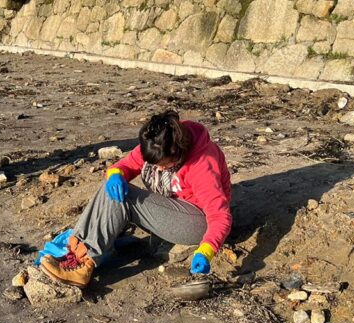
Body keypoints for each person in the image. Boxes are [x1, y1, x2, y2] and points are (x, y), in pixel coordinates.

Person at [39, 111, 231, 290]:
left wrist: (207, 250)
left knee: (127, 197)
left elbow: (220, 215)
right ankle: (76, 250)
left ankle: (84, 263)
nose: (160, 169)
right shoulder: (157, 141)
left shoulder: (202, 163)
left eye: (164, 165)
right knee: (113, 186)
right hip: (170, 209)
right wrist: (115, 173)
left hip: (197, 222)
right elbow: (125, 165)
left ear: (177, 153)